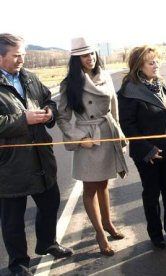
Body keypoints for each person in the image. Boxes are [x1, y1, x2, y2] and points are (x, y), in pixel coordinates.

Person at [0, 33, 73, 276]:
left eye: (23, 54)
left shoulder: (30, 77)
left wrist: (48, 112)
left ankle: (47, 242)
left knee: (51, 202)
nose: (21, 59)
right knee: (13, 220)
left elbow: (48, 100)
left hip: (41, 156)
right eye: (16, 55)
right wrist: (24, 119)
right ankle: (19, 263)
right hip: (10, 165)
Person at [57, 37, 128, 256]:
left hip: (107, 133)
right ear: (76, 59)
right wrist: (78, 138)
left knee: (104, 183)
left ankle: (107, 223)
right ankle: (99, 233)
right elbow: (62, 116)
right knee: (90, 188)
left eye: (92, 53)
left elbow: (114, 105)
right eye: (85, 55)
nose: (91, 58)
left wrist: (119, 133)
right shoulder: (70, 84)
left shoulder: (104, 75)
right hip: (88, 138)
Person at [118, 45, 166, 249]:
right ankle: (155, 234)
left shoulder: (157, 83)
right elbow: (127, 125)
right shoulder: (128, 91)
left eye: (157, 61)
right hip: (147, 154)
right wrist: (147, 149)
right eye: (151, 62)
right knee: (151, 193)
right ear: (140, 65)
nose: (156, 65)